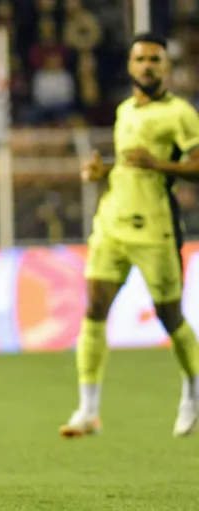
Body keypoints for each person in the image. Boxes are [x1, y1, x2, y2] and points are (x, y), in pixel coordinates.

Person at [59, 33, 199, 439]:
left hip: (156, 229)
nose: (148, 66)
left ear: (167, 66)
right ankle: (88, 409)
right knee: (94, 308)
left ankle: (192, 391)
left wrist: (157, 163)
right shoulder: (123, 111)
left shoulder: (181, 115)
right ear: (130, 66)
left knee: (170, 317)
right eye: (141, 59)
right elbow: (128, 166)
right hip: (111, 224)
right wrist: (101, 173)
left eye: (156, 59)